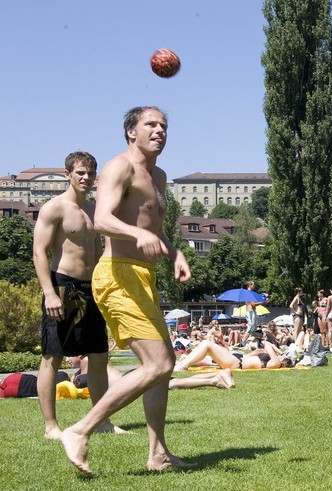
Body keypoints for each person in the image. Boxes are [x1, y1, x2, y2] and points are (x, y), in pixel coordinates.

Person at [59, 106, 193, 475]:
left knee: (163, 367)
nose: (160, 130)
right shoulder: (120, 167)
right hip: (117, 275)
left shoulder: (159, 175)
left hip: (143, 275)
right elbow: (102, 218)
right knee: (159, 363)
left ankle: (158, 454)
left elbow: (152, 227)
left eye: (164, 125)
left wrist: (174, 252)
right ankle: (80, 429)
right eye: (151, 124)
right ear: (131, 132)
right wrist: (139, 235)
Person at [32, 151, 122, 440]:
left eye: (90, 173)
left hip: (92, 287)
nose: (86, 178)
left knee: (98, 355)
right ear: (67, 174)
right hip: (62, 286)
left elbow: (99, 252)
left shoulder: (96, 211)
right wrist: (49, 293)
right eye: (80, 173)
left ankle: (102, 421)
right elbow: (39, 252)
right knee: (53, 356)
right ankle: (51, 427)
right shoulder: (54, 208)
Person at [69, 355, 235, 390]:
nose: (68, 360)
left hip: (129, 380)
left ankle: (213, 381)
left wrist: (73, 378)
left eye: (70, 356)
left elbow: (83, 382)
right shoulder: (90, 360)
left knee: (172, 384)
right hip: (129, 377)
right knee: (173, 380)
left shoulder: (86, 361)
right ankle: (219, 374)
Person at [173, 339, 289, 371]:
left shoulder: (276, 363)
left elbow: (268, 344)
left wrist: (278, 351)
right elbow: (255, 353)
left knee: (207, 344)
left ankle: (184, 365)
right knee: (207, 345)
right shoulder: (270, 361)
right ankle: (182, 363)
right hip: (238, 358)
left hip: (237, 363)